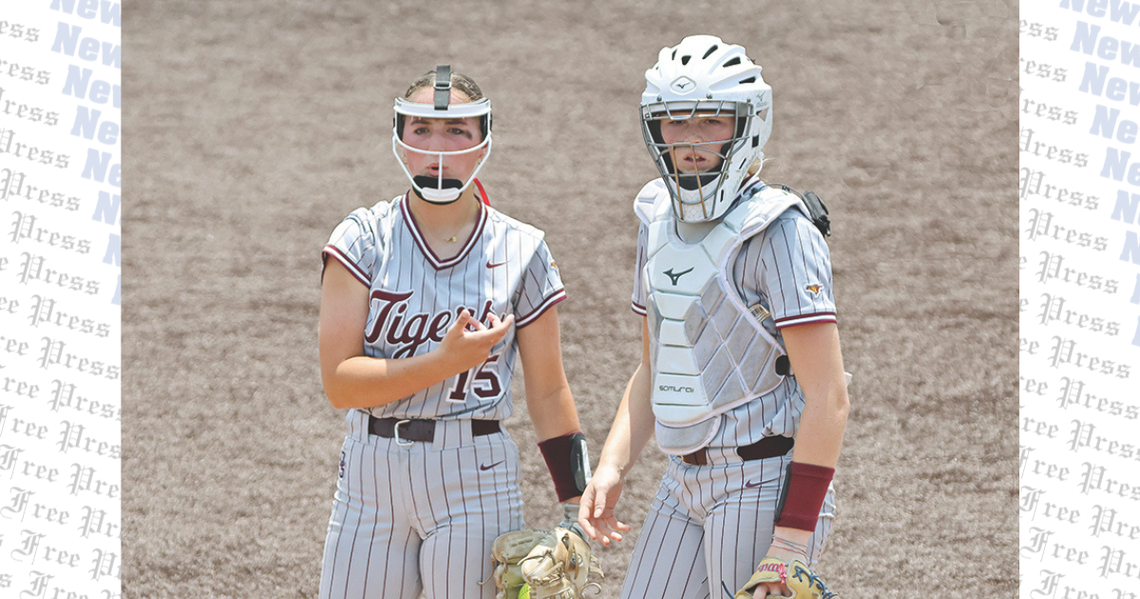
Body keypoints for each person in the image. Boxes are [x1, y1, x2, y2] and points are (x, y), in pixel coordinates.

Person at [578, 36, 850, 599]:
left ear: (749, 124)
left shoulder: (780, 229)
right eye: (675, 123)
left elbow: (829, 397)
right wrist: (612, 466)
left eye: (711, 121)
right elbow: (656, 362)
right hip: (682, 481)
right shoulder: (655, 215)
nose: (692, 141)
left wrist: (792, 541)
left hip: (764, 481)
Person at [317, 66, 590, 599]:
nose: (437, 147)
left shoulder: (522, 248)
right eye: (421, 130)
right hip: (369, 477)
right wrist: (444, 362)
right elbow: (340, 384)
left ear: (482, 141)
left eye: (456, 131)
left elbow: (549, 390)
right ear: (400, 138)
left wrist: (576, 506)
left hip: (474, 476)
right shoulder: (361, 239)